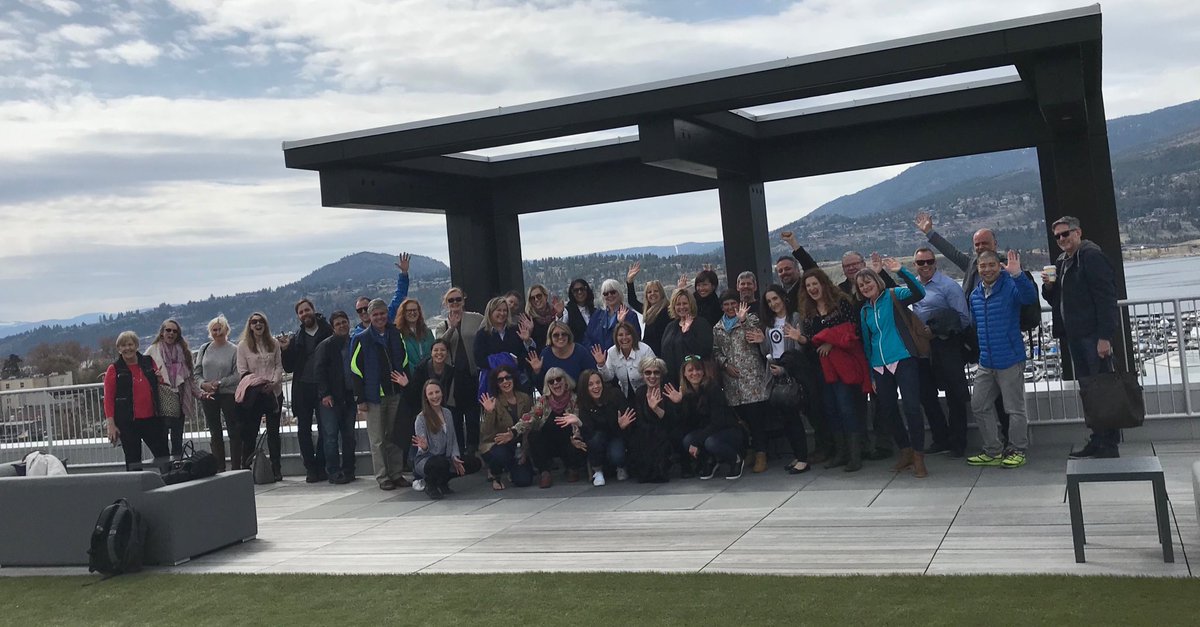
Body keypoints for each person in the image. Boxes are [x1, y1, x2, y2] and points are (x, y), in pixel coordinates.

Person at [916, 211, 1018, 446]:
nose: (981, 248)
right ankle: (996, 444)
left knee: (1004, 399)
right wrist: (930, 233)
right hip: (977, 340)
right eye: (977, 244)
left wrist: (1018, 275)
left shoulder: (1004, 267)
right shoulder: (974, 264)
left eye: (985, 243)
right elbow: (952, 253)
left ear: (995, 244)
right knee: (983, 399)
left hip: (1001, 341)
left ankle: (1012, 443)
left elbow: (1022, 298)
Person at [1042, 216, 1122, 459]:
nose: (1062, 239)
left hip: (1092, 336)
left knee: (1101, 390)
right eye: (1057, 236)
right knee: (1089, 390)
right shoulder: (1063, 261)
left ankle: (1108, 443)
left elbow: (1107, 298)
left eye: (1066, 233)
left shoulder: (1091, 257)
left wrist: (1105, 337)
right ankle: (1098, 438)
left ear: (1078, 232)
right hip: (1075, 336)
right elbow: (1057, 300)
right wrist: (1048, 287)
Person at [857, 258, 929, 478]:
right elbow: (867, 344)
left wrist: (901, 271)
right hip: (879, 367)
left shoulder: (894, 295)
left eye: (868, 282)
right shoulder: (864, 311)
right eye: (861, 285)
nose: (865, 287)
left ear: (877, 281)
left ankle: (918, 455)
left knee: (911, 407)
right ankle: (905, 450)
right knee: (888, 410)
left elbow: (919, 293)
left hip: (903, 359)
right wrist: (871, 374)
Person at [967, 250, 1039, 468]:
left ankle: (1017, 449)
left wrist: (1018, 275)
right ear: (977, 269)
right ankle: (993, 450)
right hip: (986, 361)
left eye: (991, 265)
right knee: (979, 405)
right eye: (983, 266)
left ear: (999, 266)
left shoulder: (1010, 287)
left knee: (1014, 409)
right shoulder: (975, 296)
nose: (987, 269)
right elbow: (975, 324)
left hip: (1010, 359)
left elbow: (1029, 298)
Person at [799, 269, 873, 472]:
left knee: (846, 407)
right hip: (823, 368)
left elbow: (853, 329)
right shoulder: (808, 311)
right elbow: (812, 342)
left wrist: (831, 342)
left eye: (815, 284)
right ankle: (841, 453)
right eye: (808, 286)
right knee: (831, 409)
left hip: (843, 366)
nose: (812, 288)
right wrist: (801, 339)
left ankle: (855, 455)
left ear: (823, 283)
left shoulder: (841, 303)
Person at [910, 246, 974, 459]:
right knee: (926, 395)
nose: (926, 265)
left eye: (929, 261)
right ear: (915, 265)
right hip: (923, 349)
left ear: (935, 263)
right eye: (921, 262)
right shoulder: (912, 286)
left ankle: (958, 442)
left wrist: (937, 330)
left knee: (955, 395)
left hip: (947, 346)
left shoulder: (948, 286)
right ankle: (940, 438)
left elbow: (963, 319)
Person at [349, 299, 412, 490]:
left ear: (387, 314)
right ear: (369, 316)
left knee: (395, 436)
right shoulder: (361, 338)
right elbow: (355, 370)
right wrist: (360, 398)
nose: (379, 317)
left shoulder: (396, 334)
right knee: (377, 439)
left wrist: (406, 385)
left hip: (395, 393)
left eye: (382, 313)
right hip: (373, 397)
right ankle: (383, 476)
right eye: (375, 314)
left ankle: (396, 473)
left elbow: (405, 360)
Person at [711, 290, 772, 473]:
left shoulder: (751, 319)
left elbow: (756, 337)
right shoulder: (717, 328)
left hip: (751, 378)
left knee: (756, 418)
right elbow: (715, 350)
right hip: (732, 381)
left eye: (733, 304)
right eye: (726, 304)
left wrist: (743, 321)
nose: (730, 307)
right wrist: (724, 364)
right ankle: (750, 450)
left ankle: (761, 453)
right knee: (742, 419)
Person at [759, 284, 812, 474]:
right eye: (769, 301)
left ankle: (803, 458)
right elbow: (767, 351)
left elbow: (799, 348)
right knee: (785, 418)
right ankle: (797, 455)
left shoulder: (795, 318)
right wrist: (762, 342)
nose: (773, 304)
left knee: (794, 416)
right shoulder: (769, 323)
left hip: (791, 372)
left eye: (775, 299)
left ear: (783, 298)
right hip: (775, 373)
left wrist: (784, 368)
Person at [281, 298, 333, 483]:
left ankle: (321, 465)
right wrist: (285, 350)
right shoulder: (296, 338)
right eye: (301, 312)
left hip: (323, 387)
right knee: (303, 430)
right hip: (302, 388)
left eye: (306, 310)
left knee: (325, 428)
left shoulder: (328, 331)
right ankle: (310, 468)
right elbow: (288, 367)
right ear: (298, 316)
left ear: (313, 310)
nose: (304, 314)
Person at [103, 331, 170, 471]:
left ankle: (169, 481)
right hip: (127, 423)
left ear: (136, 346)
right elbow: (108, 399)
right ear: (118, 349)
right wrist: (111, 424)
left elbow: (160, 384)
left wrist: (159, 378)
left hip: (153, 419)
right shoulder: (114, 369)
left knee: (163, 457)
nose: (127, 348)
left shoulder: (148, 361)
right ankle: (136, 485)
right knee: (133, 461)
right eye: (123, 345)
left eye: (130, 344)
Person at [514, 367, 587, 488]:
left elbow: (578, 423)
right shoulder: (543, 401)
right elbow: (530, 418)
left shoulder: (575, 399)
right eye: (551, 381)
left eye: (558, 379)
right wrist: (513, 431)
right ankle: (544, 472)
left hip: (569, 442)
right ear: (547, 385)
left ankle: (572, 468)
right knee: (534, 435)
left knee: (576, 442)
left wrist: (577, 437)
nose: (555, 383)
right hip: (549, 444)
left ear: (565, 381)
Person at [432, 286, 486, 450]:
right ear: (446, 303)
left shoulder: (476, 318)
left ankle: (473, 451)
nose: (455, 302)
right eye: (451, 300)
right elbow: (439, 346)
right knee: (454, 419)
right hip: (453, 379)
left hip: (472, 376)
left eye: (458, 299)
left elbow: (487, 335)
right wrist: (452, 327)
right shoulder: (442, 325)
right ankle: (458, 453)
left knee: (473, 418)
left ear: (463, 300)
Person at [676, 357, 747, 480]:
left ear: (703, 372)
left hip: (728, 430)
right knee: (688, 440)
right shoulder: (686, 393)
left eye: (698, 369)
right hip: (708, 432)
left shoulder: (713, 388)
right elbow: (686, 422)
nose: (695, 373)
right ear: (684, 374)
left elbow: (718, 422)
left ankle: (736, 459)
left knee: (710, 442)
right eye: (690, 370)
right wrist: (679, 403)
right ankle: (710, 460)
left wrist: (697, 442)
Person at [412, 380, 481, 500]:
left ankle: (442, 481)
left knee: (474, 463)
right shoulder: (421, 418)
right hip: (427, 459)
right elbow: (422, 449)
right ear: (426, 397)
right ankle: (430, 485)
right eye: (431, 393)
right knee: (440, 463)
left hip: (446, 457)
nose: (435, 396)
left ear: (442, 393)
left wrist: (455, 457)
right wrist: (424, 447)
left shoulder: (447, 413)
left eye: (437, 392)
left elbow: (453, 439)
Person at [235, 312, 284, 480]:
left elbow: (278, 366)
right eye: (254, 322)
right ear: (249, 326)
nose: (258, 324)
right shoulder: (243, 346)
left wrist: (273, 383)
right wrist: (260, 384)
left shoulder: (274, 343)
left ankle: (276, 469)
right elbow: (242, 371)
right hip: (254, 396)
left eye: (261, 321)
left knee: (273, 433)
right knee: (251, 432)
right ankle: (246, 468)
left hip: (274, 393)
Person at [142, 318, 199, 458]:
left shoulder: (184, 352)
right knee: (162, 439)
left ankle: (177, 465)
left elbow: (190, 378)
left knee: (177, 439)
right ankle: (166, 467)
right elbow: (142, 372)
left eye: (175, 331)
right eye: (168, 330)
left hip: (180, 397)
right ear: (162, 332)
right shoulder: (152, 350)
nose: (171, 333)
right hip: (161, 400)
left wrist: (200, 393)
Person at [407, 339, 473, 456]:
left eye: (442, 350)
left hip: (447, 408)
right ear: (431, 352)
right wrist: (406, 385)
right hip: (426, 408)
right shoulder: (421, 369)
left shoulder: (452, 371)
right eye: (436, 350)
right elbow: (414, 393)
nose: (439, 353)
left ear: (447, 353)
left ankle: (458, 454)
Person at [314, 310, 358, 484]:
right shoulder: (325, 346)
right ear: (333, 328)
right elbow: (319, 371)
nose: (342, 326)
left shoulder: (354, 342)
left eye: (344, 322)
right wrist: (325, 394)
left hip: (349, 396)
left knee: (349, 436)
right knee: (331, 436)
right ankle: (333, 471)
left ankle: (349, 469)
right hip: (330, 398)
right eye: (338, 324)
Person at [195, 315, 241, 472]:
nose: (217, 332)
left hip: (228, 393)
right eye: (214, 330)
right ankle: (219, 468)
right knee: (215, 432)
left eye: (220, 329)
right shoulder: (204, 348)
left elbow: (237, 374)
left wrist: (220, 383)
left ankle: (236, 467)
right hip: (208, 394)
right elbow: (197, 372)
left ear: (226, 330)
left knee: (234, 431)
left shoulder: (234, 350)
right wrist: (204, 384)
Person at [478, 365, 536, 490]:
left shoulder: (525, 398)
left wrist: (525, 451)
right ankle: (496, 475)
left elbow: (530, 424)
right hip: (498, 443)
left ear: (513, 378)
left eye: (508, 377)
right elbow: (485, 432)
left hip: (519, 444)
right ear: (496, 384)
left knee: (524, 481)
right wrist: (490, 412)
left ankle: (513, 469)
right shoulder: (493, 402)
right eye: (500, 380)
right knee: (500, 454)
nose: (505, 382)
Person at [577, 369, 632, 485]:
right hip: (597, 438)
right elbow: (588, 433)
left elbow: (628, 420)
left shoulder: (615, 395)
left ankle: (621, 466)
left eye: (598, 382)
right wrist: (579, 423)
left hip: (616, 434)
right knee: (595, 439)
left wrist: (622, 426)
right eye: (590, 384)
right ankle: (597, 471)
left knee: (617, 455)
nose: (596, 387)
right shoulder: (583, 402)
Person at [626, 357, 677, 483]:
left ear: (661, 374)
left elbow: (671, 422)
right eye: (648, 373)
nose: (652, 376)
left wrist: (656, 409)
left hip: (665, 433)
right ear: (643, 375)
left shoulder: (668, 391)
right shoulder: (640, 392)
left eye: (656, 372)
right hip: (646, 435)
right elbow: (639, 420)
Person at [473, 296, 537, 394]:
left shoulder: (516, 330)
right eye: (499, 310)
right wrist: (506, 359)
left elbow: (526, 356)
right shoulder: (482, 334)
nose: (502, 313)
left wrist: (527, 340)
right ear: (490, 312)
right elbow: (479, 360)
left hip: (517, 383)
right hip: (493, 385)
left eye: (505, 310)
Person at [660, 289, 714, 383]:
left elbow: (704, 351)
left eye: (685, 303)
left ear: (691, 305)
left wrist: (687, 333)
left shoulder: (701, 324)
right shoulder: (670, 326)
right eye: (678, 304)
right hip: (672, 381)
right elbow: (664, 353)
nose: (681, 307)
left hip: (694, 380)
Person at [353, 252, 412, 334]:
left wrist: (404, 273)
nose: (363, 312)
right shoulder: (357, 335)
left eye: (365, 308)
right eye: (359, 310)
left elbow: (399, 296)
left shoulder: (386, 319)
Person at [597, 320, 656, 400]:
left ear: (633, 336)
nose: (624, 338)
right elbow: (608, 378)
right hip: (625, 395)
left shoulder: (645, 349)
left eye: (628, 334)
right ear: (616, 338)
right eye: (620, 335)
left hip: (646, 394)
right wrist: (601, 365)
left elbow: (655, 374)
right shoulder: (611, 352)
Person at [529, 320, 597, 388]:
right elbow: (539, 384)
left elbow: (593, 373)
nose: (560, 337)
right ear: (550, 337)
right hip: (555, 393)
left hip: (579, 392)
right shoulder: (545, 354)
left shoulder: (580, 351)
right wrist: (537, 371)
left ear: (568, 335)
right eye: (556, 335)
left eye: (564, 334)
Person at [584, 279, 641, 352]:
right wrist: (595, 353)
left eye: (613, 292)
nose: (609, 295)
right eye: (606, 294)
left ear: (619, 293)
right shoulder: (597, 315)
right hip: (598, 357)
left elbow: (635, 339)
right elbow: (587, 338)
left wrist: (622, 323)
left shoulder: (630, 315)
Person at [625, 262, 670, 354]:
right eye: (649, 292)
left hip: (662, 354)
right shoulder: (648, 311)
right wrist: (630, 282)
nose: (652, 294)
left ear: (661, 293)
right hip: (648, 354)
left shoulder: (668, 310)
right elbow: (632, 301)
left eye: (656, 291)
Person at [396, 298, 434, 373]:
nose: (412, 313)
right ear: (403, 313)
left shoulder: (428, 332)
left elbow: (433, 352)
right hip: (409, 375)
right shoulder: (398, 334)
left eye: (415, 310)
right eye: (409, 311)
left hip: (428, 374)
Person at [525, 283, 565, 352]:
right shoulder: (528, 318)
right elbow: (528, 347)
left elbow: (564, 333)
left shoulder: (555, 312)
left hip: (559, 352)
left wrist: (560, 315)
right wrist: (529, 333)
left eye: (539, 296)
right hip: (539, 355)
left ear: (545, 296)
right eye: (532, 298)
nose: (536, 299)